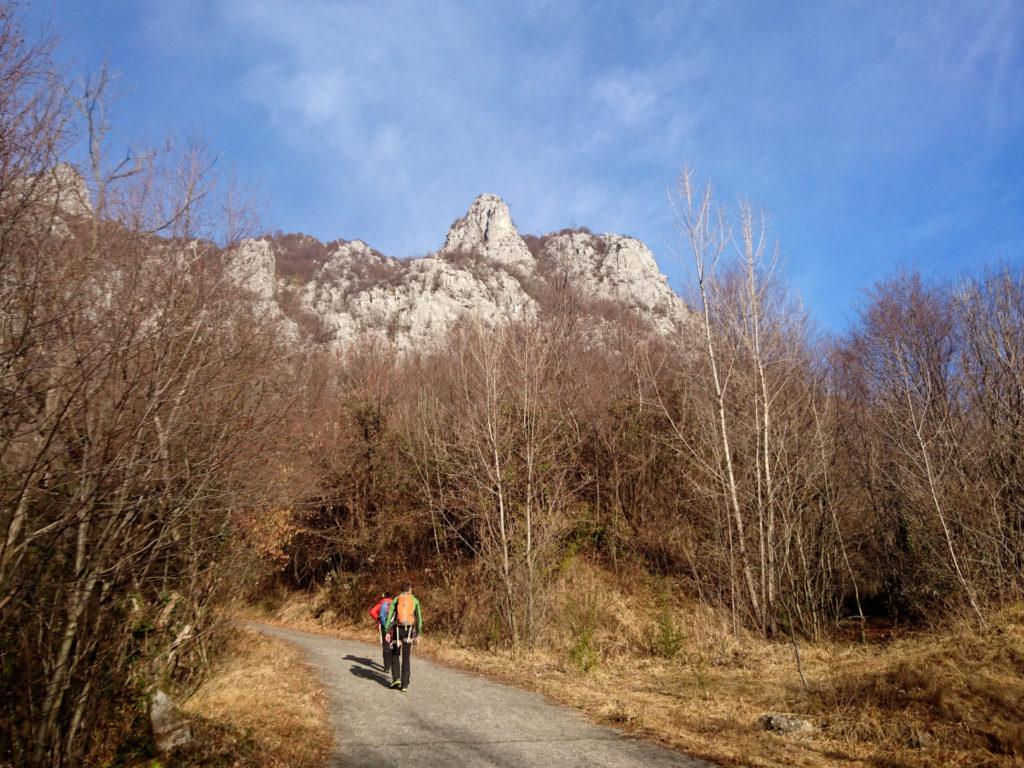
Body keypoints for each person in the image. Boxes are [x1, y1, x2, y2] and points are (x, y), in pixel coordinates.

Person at [384, 583, 422, 691]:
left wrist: (387, 630)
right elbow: (419, 618)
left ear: (401, 590)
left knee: (395, 653)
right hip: (409, 630)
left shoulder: (396, 599)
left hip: (397, 629)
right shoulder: (414, 600)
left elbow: (390, 614)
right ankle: (404, 684)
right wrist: (418, 633)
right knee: (406, 656)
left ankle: (396, 678)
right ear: (410, 590)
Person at [368, 591, 393, 670]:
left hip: (384, 626)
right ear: (391, 597)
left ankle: (387, 667)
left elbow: (372, 612)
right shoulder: (394, 603)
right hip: (393, 626)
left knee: (385, 646)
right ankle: (393, 664)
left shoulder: (381, 604)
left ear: (384, 597)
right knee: (392, 644)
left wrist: (378, 618)